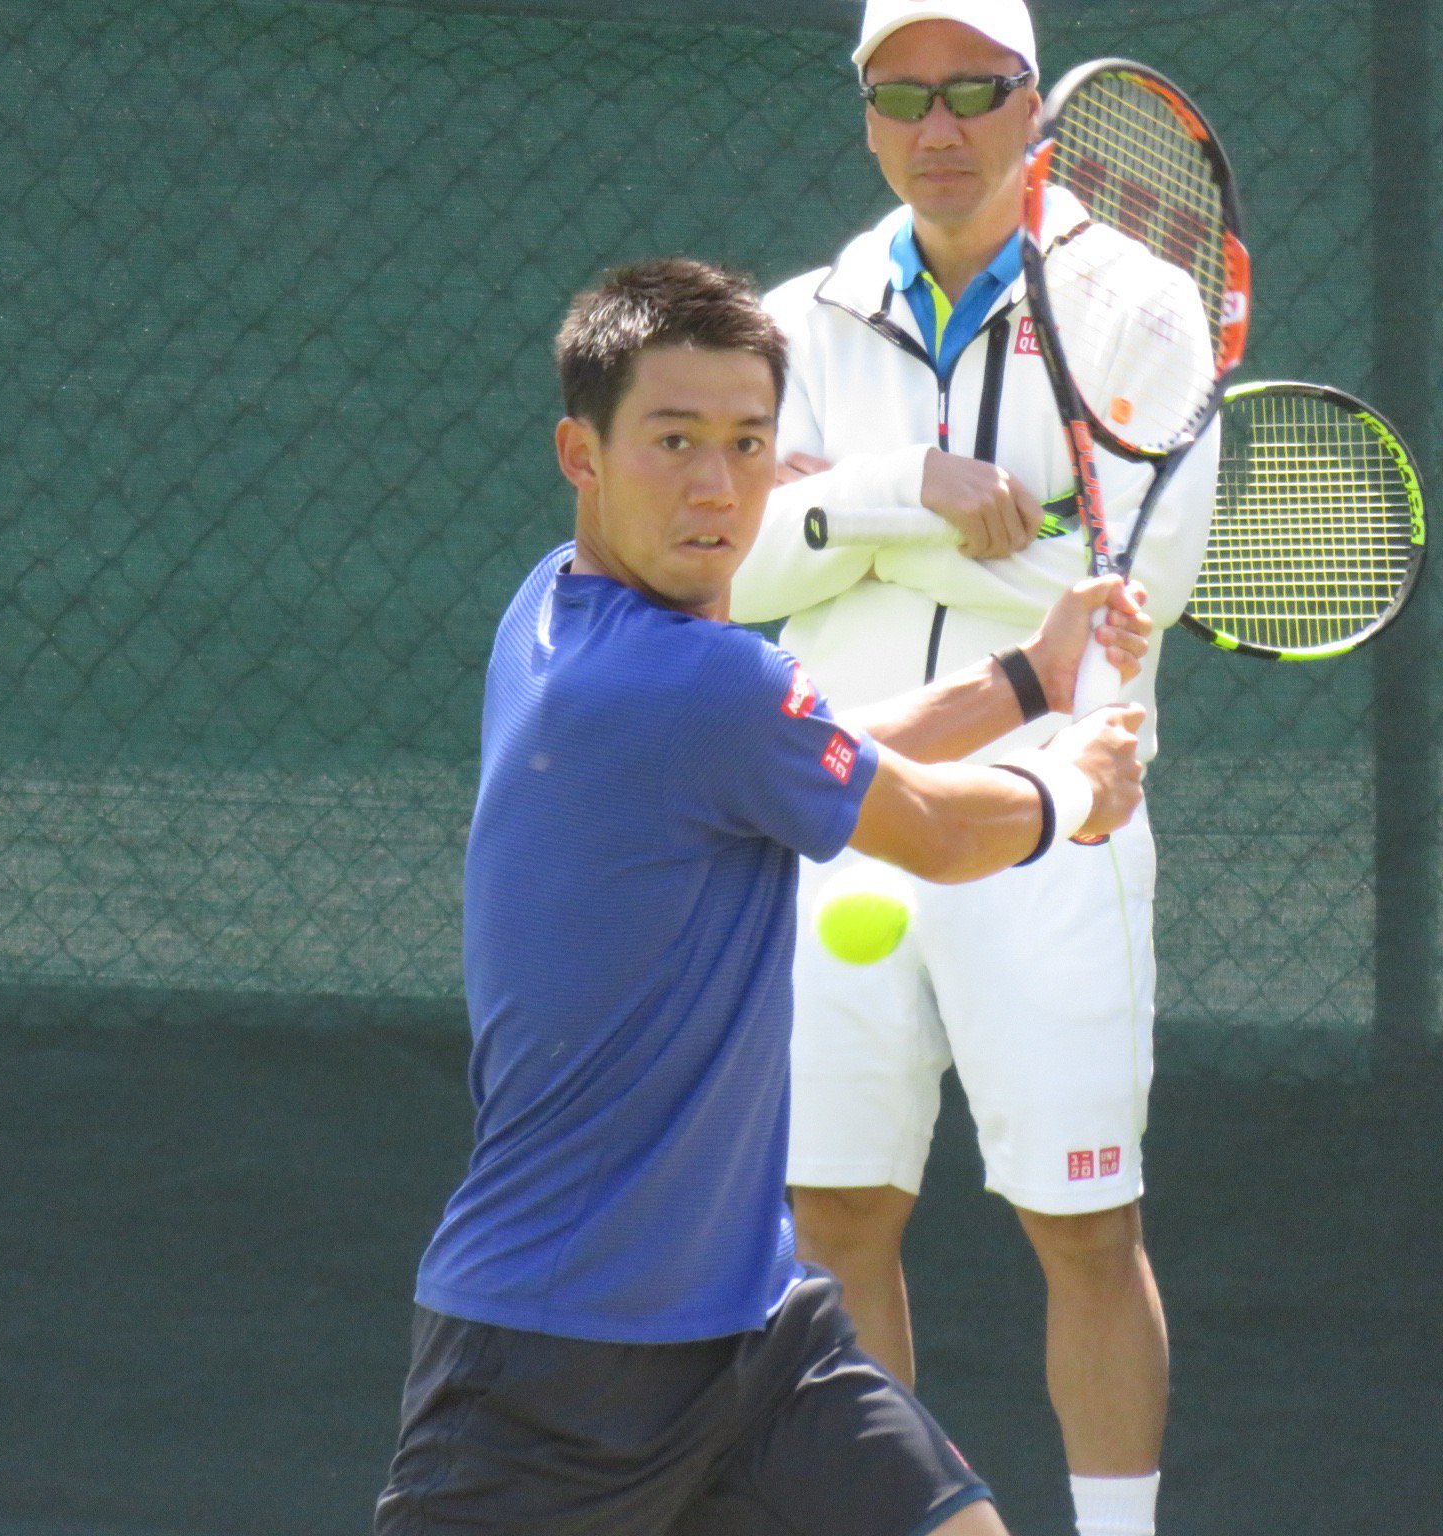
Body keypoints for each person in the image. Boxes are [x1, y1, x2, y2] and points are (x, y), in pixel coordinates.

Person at [375, 255, 1152, 1536]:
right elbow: (932, 832)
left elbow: (809, 750)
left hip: (759, 1334)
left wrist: (1025, 678)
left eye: (746, 444)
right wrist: (1070, 791)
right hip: (555, 1356)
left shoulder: (553, 612)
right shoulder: (694, 687)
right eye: (671, 442)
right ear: (581, 451)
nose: (715, 488)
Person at [726, 6, 1218, 1536]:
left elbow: (1148, 586)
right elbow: (728, 574)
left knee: (1082, 1222)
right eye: (899, 95)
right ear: (865, 111)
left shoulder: (1140, 312)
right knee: (835, 1219)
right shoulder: (795, 321)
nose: (937, 129)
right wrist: (911, 489)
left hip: (1055, 817)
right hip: (839, 817)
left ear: (1032, 110)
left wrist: (837, 523)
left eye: (972, 93)